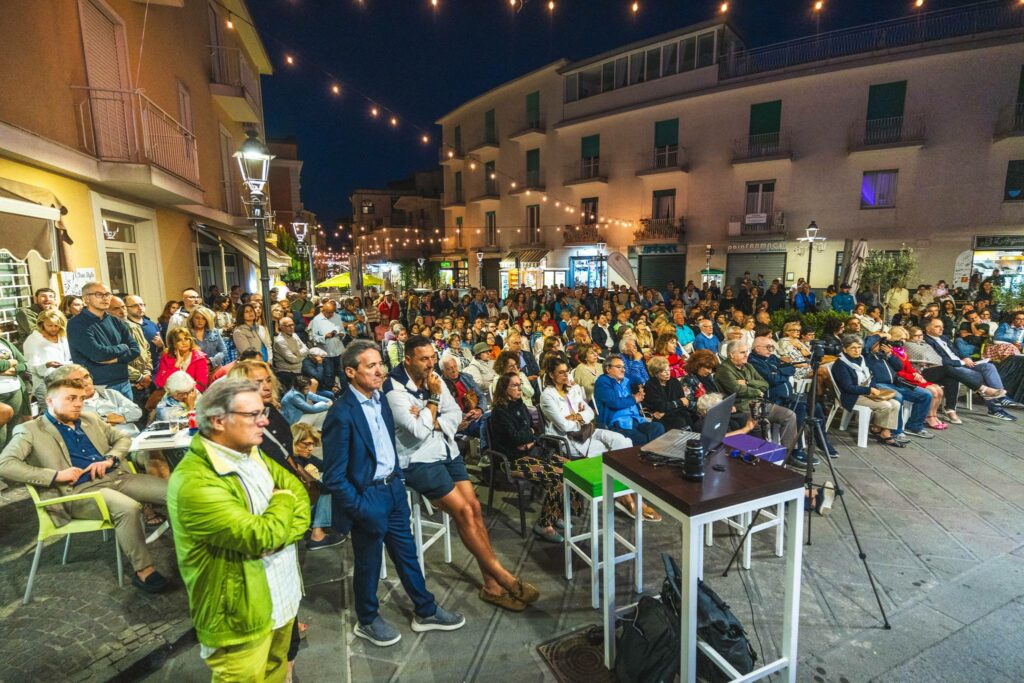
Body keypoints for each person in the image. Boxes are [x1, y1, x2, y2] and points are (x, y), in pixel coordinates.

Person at [321, 340, 466, 646]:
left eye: (380, 364)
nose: (379, 370)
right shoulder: (341, 413)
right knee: (369, 563)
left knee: (408, 555)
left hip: (393, 490)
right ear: (350, 372)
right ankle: (368, 619)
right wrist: (359, 506)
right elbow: (334, 475)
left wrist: (397, 480)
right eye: (370, 365)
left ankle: (425, 610)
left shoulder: (381, 401)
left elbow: (390, 445)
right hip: (368, 497)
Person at [167, 378, 308, 680]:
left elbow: (299, 496)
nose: (265, 421)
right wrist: (281, 505)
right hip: (241, 617)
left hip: (283, 597)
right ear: (218, 420)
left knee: (276, 671)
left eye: (263, 412)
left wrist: (276, 527)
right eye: (253, 415)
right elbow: (261, 536)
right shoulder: (194, 482)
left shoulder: (251, 452)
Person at [386, 336, 539, 611]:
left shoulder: (433, 378)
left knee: (475, 508)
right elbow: (418, 431)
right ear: (407, 359)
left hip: (446, 450)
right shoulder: (394, 388)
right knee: (464, 513)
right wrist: (433, 405)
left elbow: (454, 413)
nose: (430, 364)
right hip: (418, 460)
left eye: (433, 357)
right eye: (424, 359)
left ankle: (491, 586)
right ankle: (505, 578)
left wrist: (430, 418)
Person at [0, 373, 169, 593]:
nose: (78, 403)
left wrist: (111, 458)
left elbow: (122, 439)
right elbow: (5, 464)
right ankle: (144, 571)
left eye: (80, 398)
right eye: (71, 398)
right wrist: (54, 476)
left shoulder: (90, 419)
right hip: (79, 491)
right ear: (50, 401)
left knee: (174, 492)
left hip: (117, 477)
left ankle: (200, 546)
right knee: (129, 508)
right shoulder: (31, 430)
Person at [715, 340, 806, 466]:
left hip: (760, 404)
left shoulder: (748, 366)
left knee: (789, 415)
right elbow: (737, 390)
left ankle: (788, 454)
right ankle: (764, 458)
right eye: (742, 352)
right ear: (731, 355)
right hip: (743, 407)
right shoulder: (724, 370)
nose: (746, 354)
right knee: (760, 424)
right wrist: (756, 391)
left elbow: (765, 383)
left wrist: (747, 382)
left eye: (746, 351)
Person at [747, 336, 838, 457]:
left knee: (816, 407)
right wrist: (779, 372)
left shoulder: (772, 358)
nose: (771, 350)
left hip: (788, 396)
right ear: (757, 348)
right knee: (799, 410)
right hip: (774, 400)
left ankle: (823, 442)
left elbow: (791, 368)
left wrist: (778, 372)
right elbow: (771, 380)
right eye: (768, 347)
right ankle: (795, 450)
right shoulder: (754, 362)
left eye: (772, 347)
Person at [923, 317, 1015, 420]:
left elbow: (954, 353)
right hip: (951, 368)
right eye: (937, 326)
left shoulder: (944, 338)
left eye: (942, 326)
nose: (941, 329)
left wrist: (964, 358)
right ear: (928, 329)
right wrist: (961, 362)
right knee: (980, 376)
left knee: (989, 366)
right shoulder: (926, 341)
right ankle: (995, 407)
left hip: (961, 363)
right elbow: (939, 360)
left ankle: (998, 397)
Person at [66, 281, 140, 401]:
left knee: (131, 418)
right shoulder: (77, 324)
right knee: (106, 420)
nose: (105, 298)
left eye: (107, 294)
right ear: (86, 299)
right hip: (98, 386)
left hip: (124, 381)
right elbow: (97, 354)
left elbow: (136, 350)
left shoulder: (115, 321)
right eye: (99, 294)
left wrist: (116, 359)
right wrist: (123, 347)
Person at [830, 334, 905, 446]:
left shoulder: (861, 359)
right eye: (853, 348)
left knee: (896, 403)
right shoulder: (841, 364)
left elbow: (871, 377)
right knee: (886, 405)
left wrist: (873, 387)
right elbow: (847, 387)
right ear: (845, 349)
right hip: (851, 396)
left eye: (859, 347)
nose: (857, 350)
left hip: (865, 392)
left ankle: (884, 431)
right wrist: (869, 390)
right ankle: (877, 429)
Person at [863, 334, 934, 440]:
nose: (881, 346)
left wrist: (890, 354)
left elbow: (899, 367)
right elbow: (867, 344)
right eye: (879, 344)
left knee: (926, 394)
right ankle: (897, 431)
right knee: (898, 396)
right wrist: (879, 336)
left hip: (896, 383)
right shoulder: (866, 356)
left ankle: (915, 426)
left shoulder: (883, 355)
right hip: (878, 385)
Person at [290, 422, 343, 551]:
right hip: (294, 508)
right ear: (294, 442)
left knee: (328, 477)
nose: (310, 448)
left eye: (312, 444)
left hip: (301, 503)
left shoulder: (304, 457)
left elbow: (326, 467)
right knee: (325, 483)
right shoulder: (293, 462)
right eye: (306, 444)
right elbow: (322, 488)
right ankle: (317, 534)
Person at [593, 355, 666, 447]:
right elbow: (615, 402)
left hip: (634, 419)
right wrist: (634, 399)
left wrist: (640, 391)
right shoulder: (603, 382)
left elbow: (637, 379)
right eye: (619, 367)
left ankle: (651, 453)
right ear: (608, 369)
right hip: (616, 423)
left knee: (657, 427)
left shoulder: (624, 381)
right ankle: (648, 454)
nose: (623, 370)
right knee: (642, 439)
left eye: (623, 367)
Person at [54, 364, 143, 437]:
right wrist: (120, 416)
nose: (85, 382)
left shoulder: (111, 393)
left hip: (135, 440)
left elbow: (136, 412)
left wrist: (104, 419)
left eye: (86, 377)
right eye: (77, 380)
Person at [886, 326, 947, 430]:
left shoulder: (902, 350)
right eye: (901, 339)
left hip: (910, 377)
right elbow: (897, 372)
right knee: (933, 391)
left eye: (905, 339)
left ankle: (933, 415)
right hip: (903, 380)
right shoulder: (890, 352)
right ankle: (928, 417)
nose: (903, 341)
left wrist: (916, 374)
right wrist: (913, 377)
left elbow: (909, 367)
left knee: (939, 390)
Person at [108, 296, 153, 405]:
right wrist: (139, 378)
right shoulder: (109, 332)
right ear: (107, 312)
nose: (121, 311)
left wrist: (146, 374)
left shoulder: (135, 327)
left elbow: (146, 351)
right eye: (116, 309)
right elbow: (114, 360)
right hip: (127, 383)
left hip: (145, 381)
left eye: (123, 307)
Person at [23, 308, 71, 405]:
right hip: (43, 384)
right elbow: (30, 367)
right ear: (42, 324)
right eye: (50, 325)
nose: (54, 328)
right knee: (51, 412)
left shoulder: (62, 336)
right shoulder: (33, 340)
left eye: (57, 326)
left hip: (64, 379)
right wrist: (47, 365)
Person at [643, 356, 697, 431]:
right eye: (664, 371)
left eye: (668, 370)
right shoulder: (650, 385)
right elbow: (661, 407)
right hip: (661, 418)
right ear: (655, 373)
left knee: (690, 417)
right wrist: (679, 402)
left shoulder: (674, 381)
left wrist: (666, 412)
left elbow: (685, 403)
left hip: (674, 413)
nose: (668, 373)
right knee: (679, 422)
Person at [439, 353, 486, 438]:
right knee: (483, 429)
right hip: (461, 421)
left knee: (494, 422)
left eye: (455, 366)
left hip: (477, 413)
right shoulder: (441, 386)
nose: (454, 370)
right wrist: (467, 416)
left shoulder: (466, 377)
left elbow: (481, 396)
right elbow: (446, 411)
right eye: (449, 369)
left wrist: (480, 409)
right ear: (443, 371)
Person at [155, 327, 210, 393]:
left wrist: (182, 393)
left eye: (186, 339)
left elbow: (201, 386)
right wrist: (176, 365)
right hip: (171, 395)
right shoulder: (166, 358)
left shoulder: (199, 358)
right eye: (179, 340)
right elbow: (160, 383)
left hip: (192, 395)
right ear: (173, 344)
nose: (184, 343)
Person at [308, 300, 345, 389]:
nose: (331, 314)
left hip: (339, 350)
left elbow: (343, 330)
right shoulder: (316, 320)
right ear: (323, 311)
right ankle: (330, 392)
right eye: (329, 313)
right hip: (326, 352)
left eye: (333, 312)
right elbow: (312, 337)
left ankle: (345, 391)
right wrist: (325, 337)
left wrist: (342, 334)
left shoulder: (337, 317)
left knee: (342, 372)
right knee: (329, 374)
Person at [273, 316, 309, 390]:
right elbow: (292, 360)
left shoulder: (295, 335)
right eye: (289, 325)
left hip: (298, 370)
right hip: (286, 373)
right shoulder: (280, 341)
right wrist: (303, 355)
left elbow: (306, 349)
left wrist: (298, 353)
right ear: (282, 327)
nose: (292, 327)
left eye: (293, 325)